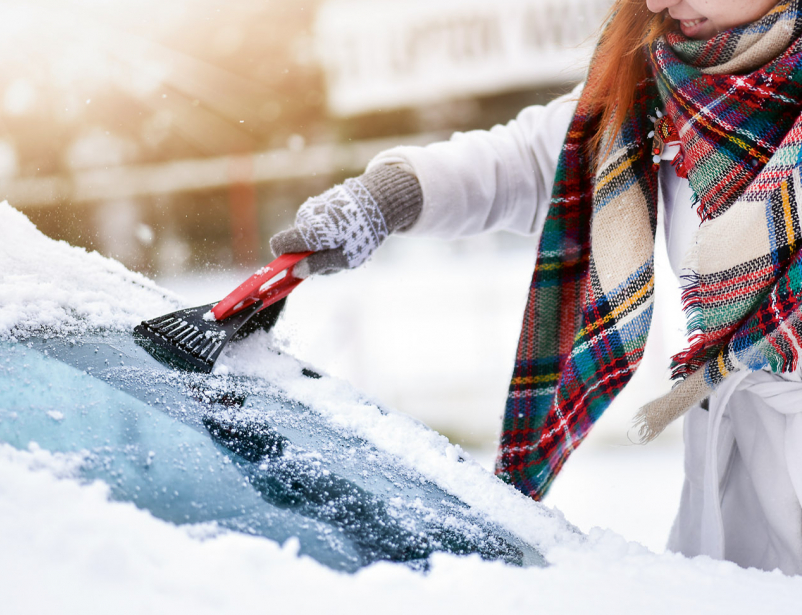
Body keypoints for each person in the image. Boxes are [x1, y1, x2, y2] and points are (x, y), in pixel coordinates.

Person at [270, 0, 802, 575]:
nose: (656, 4)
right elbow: (526, 160)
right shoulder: (658, 91)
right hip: (733, 517)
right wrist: (389, 196)